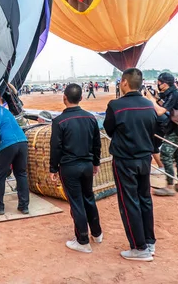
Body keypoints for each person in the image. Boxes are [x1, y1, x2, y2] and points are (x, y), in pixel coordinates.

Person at [103, 68, 157, 262]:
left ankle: (138, 247)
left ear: (124, 82)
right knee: (145, 199)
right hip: (144, 159)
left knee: (129, 202)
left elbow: (109, 130)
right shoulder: (149, 105)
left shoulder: (116, 106)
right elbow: (155, 130)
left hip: (125, 160)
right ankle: (149, 241)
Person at [49, 84, 103, 253]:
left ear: (64, 98)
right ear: (81, 98)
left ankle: (82, 240)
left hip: (69, 167)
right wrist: (95, 163)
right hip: (87, 165)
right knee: (89, 198)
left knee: (76, 203)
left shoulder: (59, 121)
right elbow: (97, 143)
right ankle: (97, 233)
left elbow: (55, 147)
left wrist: (52, 168)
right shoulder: (91, 118)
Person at [0, 89, 30, 215]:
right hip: (22, 142)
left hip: (7, 144)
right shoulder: (6, 110)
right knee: (21, 174)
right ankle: (24, 206)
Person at [145, 73, 178, 196]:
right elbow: (166, 105)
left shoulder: (174, 94)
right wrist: (156, 98)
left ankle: (169, 186)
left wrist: (150, 98)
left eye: (159, 83)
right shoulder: (174, 92)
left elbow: (160, 111)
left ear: (164, 84)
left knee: (166, 154)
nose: (158, 85)